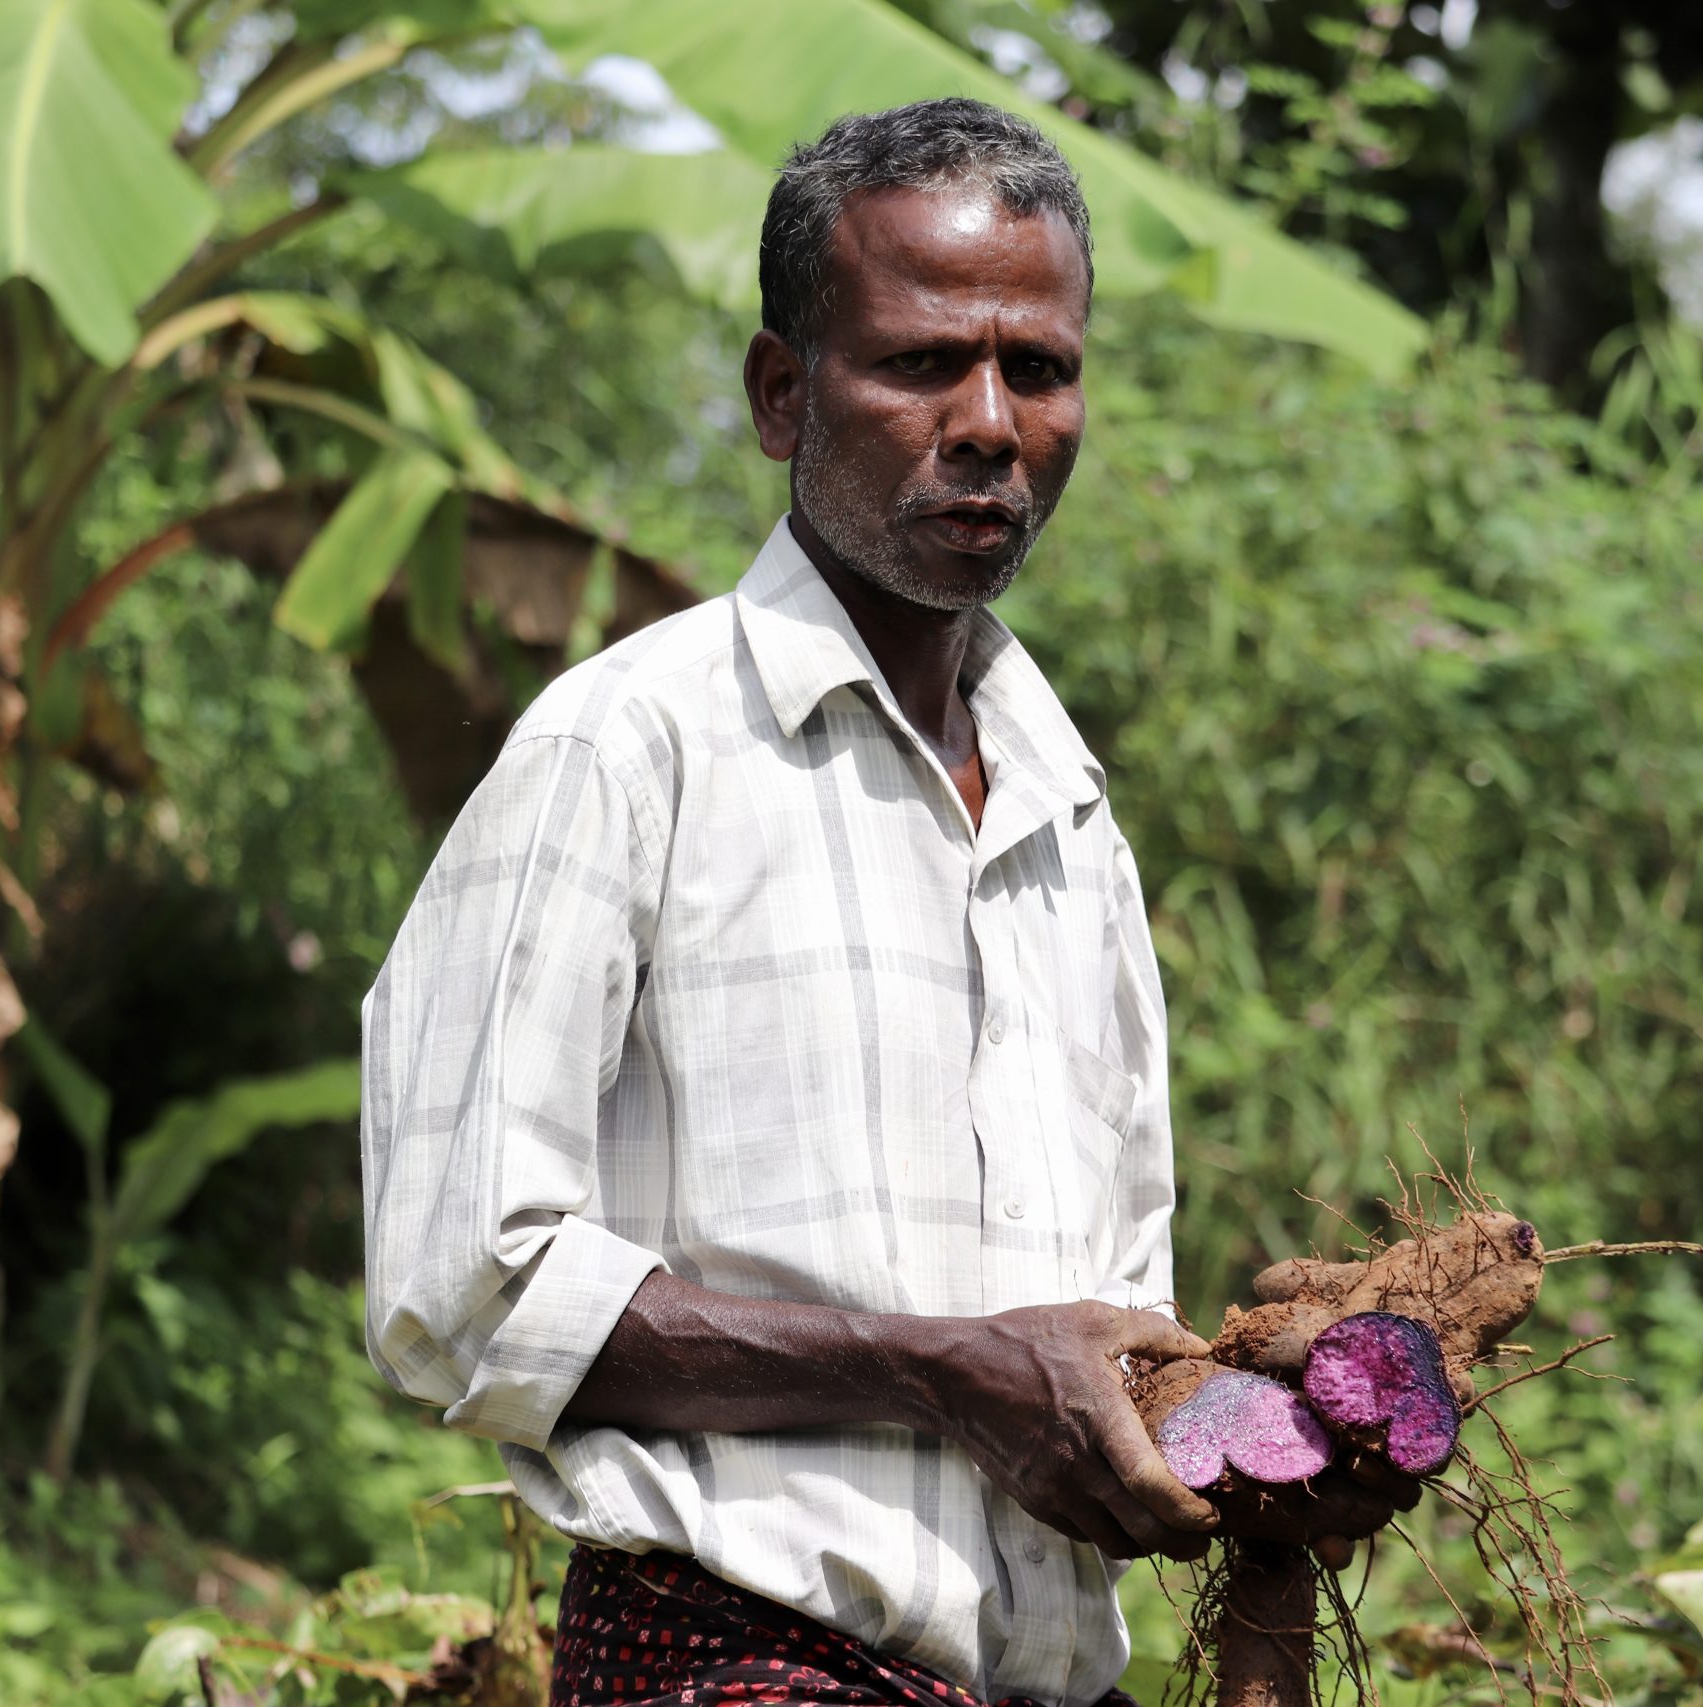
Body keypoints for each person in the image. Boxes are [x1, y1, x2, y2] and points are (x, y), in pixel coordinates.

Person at [360, 97, 1393, 1707]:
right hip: (732, 1660)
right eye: (922, 363)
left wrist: (1264, 1443)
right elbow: (458, 1288)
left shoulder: (1074, 824)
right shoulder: (631, 748)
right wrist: (940, 1372)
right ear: (785, 395)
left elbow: (1100, 1355)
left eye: (1038, 369)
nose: (990, 420)